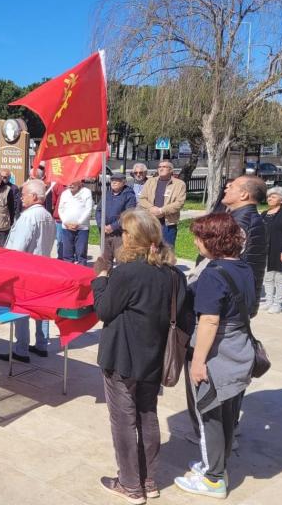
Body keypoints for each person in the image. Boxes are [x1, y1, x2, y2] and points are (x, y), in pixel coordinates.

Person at [92, 208, 186, 504]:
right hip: (154, 357)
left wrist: (101, 279)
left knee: (123, 421)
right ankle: (148, 480)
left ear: (135, 239)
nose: (120, 238)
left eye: (124, 233)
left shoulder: (126, 273)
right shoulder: (174, 275)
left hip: (122, 357)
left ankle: (131, 484)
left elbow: (104, 310)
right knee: (148, 416)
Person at [174, 213, 255, 499]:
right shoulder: (242, 267)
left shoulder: (213, 274)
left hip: (216, 356)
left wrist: (198, 363)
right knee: (228, 412)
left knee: (208, 414)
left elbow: (208, 320)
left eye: (198, 237)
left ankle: (213, 479)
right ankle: (216, 465)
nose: (196, 242)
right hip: (239, 351)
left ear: (212, 241)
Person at [0, 179, 56, 363]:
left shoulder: (28, 217)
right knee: (41, 308)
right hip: (43, 268)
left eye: (23, 194)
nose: (21, 198)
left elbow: (18, 249)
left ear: (33, 196)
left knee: (21, 309)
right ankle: (41, 344)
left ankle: (21, 349)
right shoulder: (47, 215)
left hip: (26, 271)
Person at [221, 175, 268, 317]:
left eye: (232, 187)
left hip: (231, 299)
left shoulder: (242, 222)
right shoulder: (239, 217)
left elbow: (223, 259)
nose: (226, 190)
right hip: (234, 296)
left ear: (244, 194)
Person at [137, 160, 186, 248]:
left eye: (164, 167)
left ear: (171, 170)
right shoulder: (150, 182)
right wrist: (151, 208)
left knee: (167, 250)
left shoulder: (179, 184)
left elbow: (180, 203)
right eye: (159, 167)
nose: (161, 169)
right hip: (150, 222)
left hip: (168, 223)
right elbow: (142, 198)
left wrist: (161, 210)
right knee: (149, 249)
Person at [96, 173, 137, 264]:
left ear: (124, 182)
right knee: (105, 260)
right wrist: (101, 225)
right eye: (112, 180)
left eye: (117, 181)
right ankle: (106, 277)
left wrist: (113, 227)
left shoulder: (129, 195)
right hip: (105, 233)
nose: (114, 182)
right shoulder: (107, 194)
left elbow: (128, 215)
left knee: (121, 260)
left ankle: (120, 277)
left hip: (120, 234)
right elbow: (99, 210)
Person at [261, 186, 282, 314]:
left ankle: (278, 304)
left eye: (273, 196)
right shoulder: (264, 214)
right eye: (269, 196)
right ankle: (269, 301)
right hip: (265, 251)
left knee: (279, 278)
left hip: (280, 251)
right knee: (267, 277)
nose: (270, 198)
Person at [58, 179, 93, 266]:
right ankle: (68, 271)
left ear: (80, 183)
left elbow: (88, 209)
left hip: (82, 228)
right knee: (67, 253)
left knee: (81, 252)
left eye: (73, 183)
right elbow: (60, 209)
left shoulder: (86, 192)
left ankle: (81, 271)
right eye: (69, 183)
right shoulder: (64, 193)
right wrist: (65, 222)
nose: (71, 185)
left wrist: (78, 223)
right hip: (66, 227)